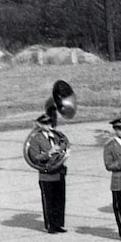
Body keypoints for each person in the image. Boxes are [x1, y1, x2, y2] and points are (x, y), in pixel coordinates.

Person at [24, 83, 72, 233]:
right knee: (48, 201)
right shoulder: (36, 139)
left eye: (50, 122)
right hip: (46, 175)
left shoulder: (56, 136)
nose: (49, 125)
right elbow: (35, 157)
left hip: (59, 171)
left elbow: (64, 146)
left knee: (60, 199)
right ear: (40, 124)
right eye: (45, 123)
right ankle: (50, 225)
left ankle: (58, 224)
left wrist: (62, 149)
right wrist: (50, 152)